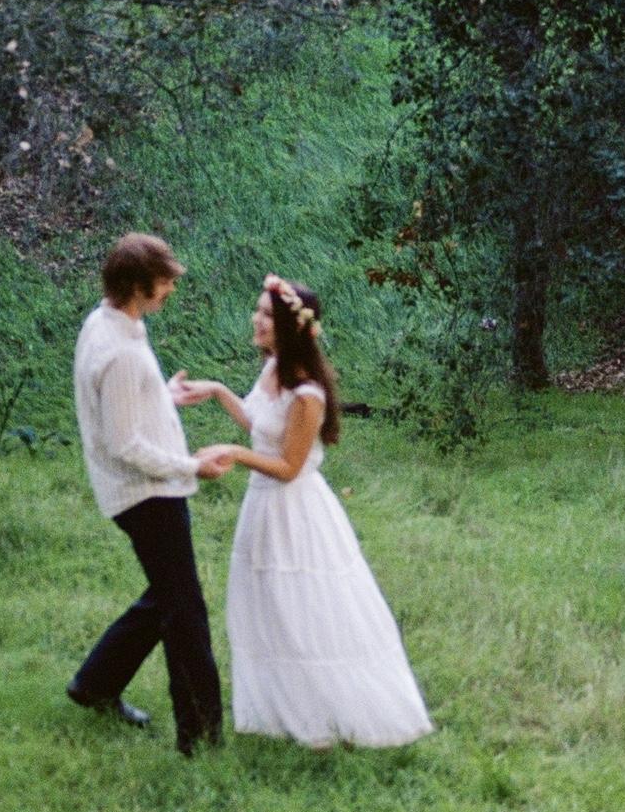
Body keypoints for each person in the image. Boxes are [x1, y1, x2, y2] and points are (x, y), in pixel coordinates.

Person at [177, 274, 433, 749]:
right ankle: (286, 709)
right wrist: (216, 391)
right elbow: (259, 425)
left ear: (292, 327)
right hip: (262, 506)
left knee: (305, 607)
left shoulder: (307, 394)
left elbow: (289, 466)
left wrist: (233, 453)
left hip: (296, 511)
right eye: (257, 311)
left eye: (267, 315)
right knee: (270, 606)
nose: (256, 320)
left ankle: (326, 716)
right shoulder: (273, 368)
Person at [68, 232, 231, 756]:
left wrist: (162, 397)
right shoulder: (118, 350)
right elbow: (125, 443)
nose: (171, 290)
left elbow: (122, 409)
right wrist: (192, 466)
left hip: (145, 490)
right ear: (138, 285)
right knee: (185, 612)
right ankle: (199, 737)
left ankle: (95, 683)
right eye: (164, 282)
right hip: (146, 496)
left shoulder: (110, 322)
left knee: (167, 595)